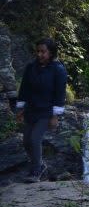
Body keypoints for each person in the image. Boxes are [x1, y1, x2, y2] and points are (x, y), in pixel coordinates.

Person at [16, 38, 67, 183]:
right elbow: (24, 88)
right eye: (38, 51)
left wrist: (55, 115)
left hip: (46, 111)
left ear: (50, 53)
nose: (39, 54)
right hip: (31, 109)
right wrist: (20, 108)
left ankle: (36, 171)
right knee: (26, 141)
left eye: (43, 52)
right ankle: (40, 165)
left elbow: (60, 93)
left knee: (35, 139)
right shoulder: (30, 67)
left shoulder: (58, 69)